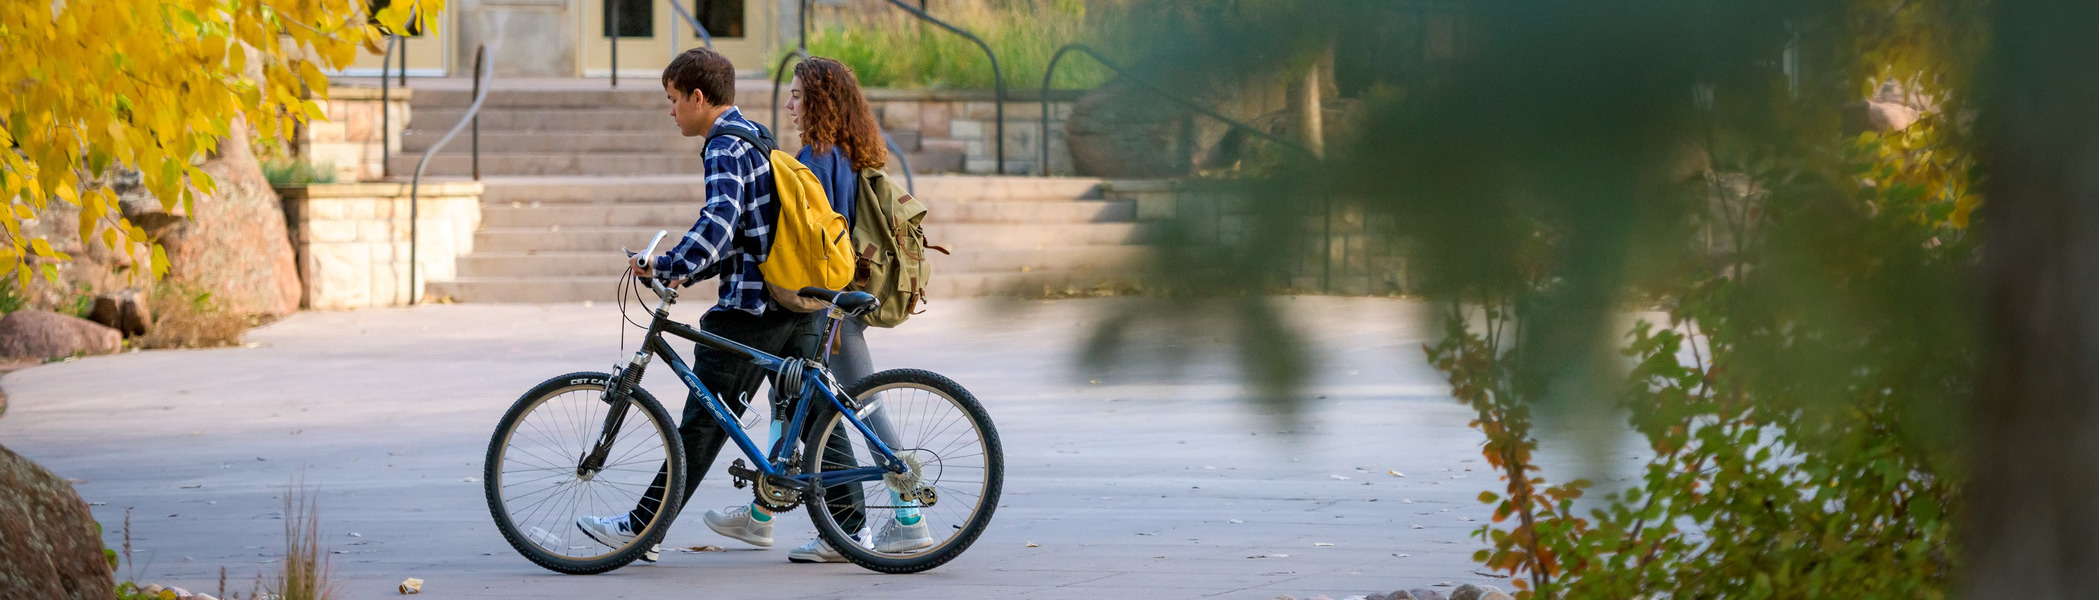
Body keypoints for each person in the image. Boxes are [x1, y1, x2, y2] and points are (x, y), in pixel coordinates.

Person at [573, 46, 819, 564]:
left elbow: (719, 225)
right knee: (814, 415)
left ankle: (642, 529)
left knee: (702, 421)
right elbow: (741, 236)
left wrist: (665, 265)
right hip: (791, 299)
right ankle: (853, 528)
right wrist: (688, 270)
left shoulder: (724, 147)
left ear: (699, 98)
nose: (671, 110)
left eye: (673, 99)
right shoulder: (755, 134)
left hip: (753, 309)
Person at [703, 56, 934, 564]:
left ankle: (905, 518)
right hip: (836, 300)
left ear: (819, 103)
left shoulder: (820, 154)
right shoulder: (850, 151)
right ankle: (763, 513)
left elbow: (815, 237)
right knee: (796, 403)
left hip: (829, 304)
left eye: (796, 96)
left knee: (859, 409)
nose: (788, 104)